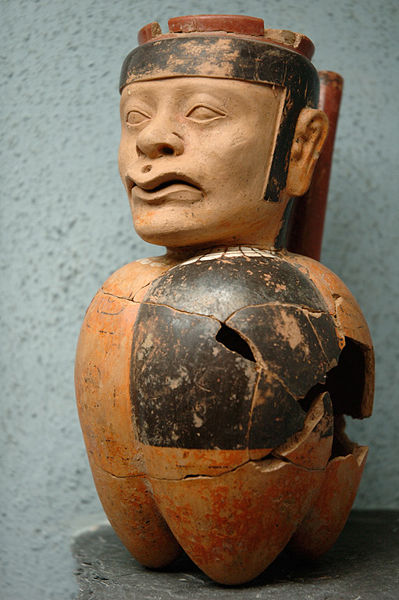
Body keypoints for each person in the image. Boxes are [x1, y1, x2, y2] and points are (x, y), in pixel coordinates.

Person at [75, 15, 374, 584]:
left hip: (274, 541)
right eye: (134, 117)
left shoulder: (306, 291)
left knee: (232, 554)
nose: (151, 139)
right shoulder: (123, 294)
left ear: (301, 146)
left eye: (204, 112)